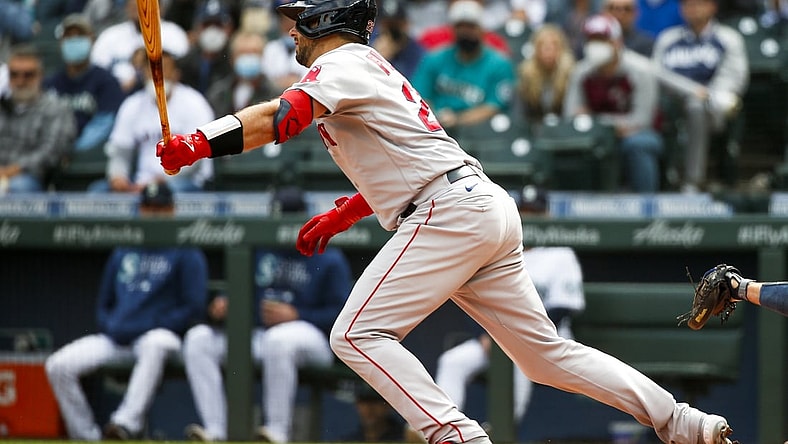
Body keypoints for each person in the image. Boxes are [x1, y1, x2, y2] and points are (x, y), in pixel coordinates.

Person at [155, 0, 738, 442]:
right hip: (474, 203)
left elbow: (280, 119)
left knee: (355, 334)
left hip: (450, 211)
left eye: (300, 18)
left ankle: (456, 435)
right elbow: (407, 153)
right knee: (544, 356)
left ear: (327, 21)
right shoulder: (365, 69)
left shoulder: (345, 63)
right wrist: (348, 209)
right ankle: (683, 423)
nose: (290, 30)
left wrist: (200, 142)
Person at [182, 187, 353, 443]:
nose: (279, 225)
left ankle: (276, 431)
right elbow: (247, 299)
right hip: (261, 335)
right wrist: (229, 306)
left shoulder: (328, 255)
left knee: (280, 339)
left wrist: (298, 314)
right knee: (198, 339)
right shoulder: (261, 248)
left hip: (313, 339)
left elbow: (343, 316)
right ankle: (216, 430)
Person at [45, 181, 209, 440]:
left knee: (156, 343)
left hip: (160, 337)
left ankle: (125, 424)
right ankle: (86, 435)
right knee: (58, 365)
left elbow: (193, 307)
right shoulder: (125, 248)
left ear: (172, 211)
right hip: (117, 339)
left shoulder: (186, 250)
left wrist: (150, 323)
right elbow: (104, 304)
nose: (153, 213)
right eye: (148, 207)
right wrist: (112, 326)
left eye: (160, 208)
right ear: (140, 210)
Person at [434, 186, 585, 429]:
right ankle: (444, 429)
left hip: (546, 338)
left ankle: (502, 431)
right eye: (524, 212)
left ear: (547, 216)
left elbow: (562, 308)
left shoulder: (560, 253)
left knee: (518, 360)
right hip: (496, 336)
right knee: (453, 361)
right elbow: (477, 300)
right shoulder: (499, 249)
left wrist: (515, 337)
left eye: (535, 214)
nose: (529, 219)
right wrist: (486, 336)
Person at [89, 42, 214, 193]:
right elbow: (121, 150)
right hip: (141, 183)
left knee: (163, 192)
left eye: (164, 69)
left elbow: (198, 157)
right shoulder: (132, 105)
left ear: (176, 73)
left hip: (184, 182)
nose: (157, 75)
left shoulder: (194, 103)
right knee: (97, 191)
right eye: (151, 70)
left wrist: (160, 182)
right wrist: (118, 177)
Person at [651, 0, 749, 193]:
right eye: (687, 4)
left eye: (698, 3)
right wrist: (690, 91)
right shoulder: (668, 38)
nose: (692, 8)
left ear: (713, 7)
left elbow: (736, 78)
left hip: (715, 106)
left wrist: (707, 95)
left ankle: (692, 181)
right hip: (674, 103)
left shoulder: (728, 38)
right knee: (691, 103)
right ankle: (678, 179)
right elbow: (657, 75)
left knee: (698, 106)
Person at [563, 14, 663, 193]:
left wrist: (596, 121)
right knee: (576, 146)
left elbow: (642, 119)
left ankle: (647, 204)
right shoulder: (581, 72)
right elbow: (571, 116)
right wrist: (610, 125)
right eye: (591, 39)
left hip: (638, 135)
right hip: (595, 137)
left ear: (617, 41)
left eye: (602, 39)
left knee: (638, 144)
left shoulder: (641, 70)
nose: (595, 45)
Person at [411, 0, 515, 132]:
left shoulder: (499, 64)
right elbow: (419, 96)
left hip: (482, 133)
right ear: (452, 29)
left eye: (470, 26)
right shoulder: (435, 58)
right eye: (460, 26)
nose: (465, 32)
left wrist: (457, 119)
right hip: (437, 129)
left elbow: (494, 106)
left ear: (481, 29)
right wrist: (435, 117)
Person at [0, 43, 76, 192]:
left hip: (30, 178)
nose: (20, 81)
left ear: (40, 75)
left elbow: (51, 153)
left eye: (28, 75)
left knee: (18, 187)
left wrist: (13, 170)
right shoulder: (2, 106)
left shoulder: (56, 108)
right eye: (14, 75)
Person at [44, 13, 125, 153]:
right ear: (60, 43)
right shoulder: (51, 82)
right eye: (68, 37)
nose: (74, 41)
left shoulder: (106, 81)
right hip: (53, 153)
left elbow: (104, 124)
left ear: (92, 40)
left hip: (90, 155)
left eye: (80, 35)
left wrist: (72, 149)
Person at [90, 0, 189, 94]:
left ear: (159, 7)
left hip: (161, 94)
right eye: (133, 3)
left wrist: (139, 77)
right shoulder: (110, 35)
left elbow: (180, 71)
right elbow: (96, 72)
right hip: (115, 94)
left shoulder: (174, 34)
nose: (138, 6)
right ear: (126, 7)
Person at [205, 30, 279, 117]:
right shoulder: (218, 93)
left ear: (262, 57)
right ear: (233, 59)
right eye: (243, 53)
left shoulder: (275, 95)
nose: (248, 58)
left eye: (254, 52)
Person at [515, 24, 575, 125]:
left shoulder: (571, 73)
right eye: (542, 45)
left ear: (562, 49)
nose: (548, 49)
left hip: (564, 128)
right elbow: (520, 114)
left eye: (554, 45)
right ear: (535, 49)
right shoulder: (526, 75)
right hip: (535, 130)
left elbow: (572, 111)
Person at [179, 0, 235, 95]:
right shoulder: (185, 62)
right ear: (197, 28)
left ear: (229, 28)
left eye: (218, 25)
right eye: (206, 25)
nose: (212, 30)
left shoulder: (233, 61)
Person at [261, 0, 310, 92]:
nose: (288, 21)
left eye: (292, 17)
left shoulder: (311, 45)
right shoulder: (271, 48)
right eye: (283, 17)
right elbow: (266, 79)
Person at [370, 0, 426, 79]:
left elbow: (412, 86)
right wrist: (377, 58)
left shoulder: (417, 52)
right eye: (388, 25)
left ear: (406, 24)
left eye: (396, 24)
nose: (392, 30)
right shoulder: (369, 45)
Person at [342, 382, 407, 442]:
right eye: (363, 402)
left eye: (375, 402)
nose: (368, 409)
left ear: (388, 405)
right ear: (357, 405)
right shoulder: (349, 440)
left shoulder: (406, 439)